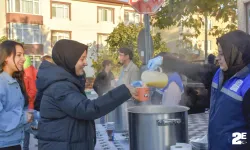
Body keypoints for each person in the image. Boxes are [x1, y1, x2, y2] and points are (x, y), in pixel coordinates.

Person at [147, 30, 250, 150]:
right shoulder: (219, 74)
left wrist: (230, 140)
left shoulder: (247, 85)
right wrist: (164, 60)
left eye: (222, 54)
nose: (218, 58)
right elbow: (192, 69)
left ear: (237, 54)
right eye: (218, 53)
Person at [36, 39, 137, 150]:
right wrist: (124, 91)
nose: (86, 63)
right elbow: (87, 109)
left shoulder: (65, 82)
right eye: (82, 59)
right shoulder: (59, 86)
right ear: (70, 59)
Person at [0, 40, 33, 150]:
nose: (23, 59)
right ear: (5, 57)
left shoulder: (16, 81)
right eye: (19, 55)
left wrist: (34, 118)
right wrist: (24, 118)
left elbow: (20, 109)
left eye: (23, 55)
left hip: (16, 142)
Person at [23, 55, 38, 150]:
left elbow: (33, 90)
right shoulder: (29, 70)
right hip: (29, 104)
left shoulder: (28, 71)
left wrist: (24, 99)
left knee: (28, 128)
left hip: (28, 105)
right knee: (27, 129)